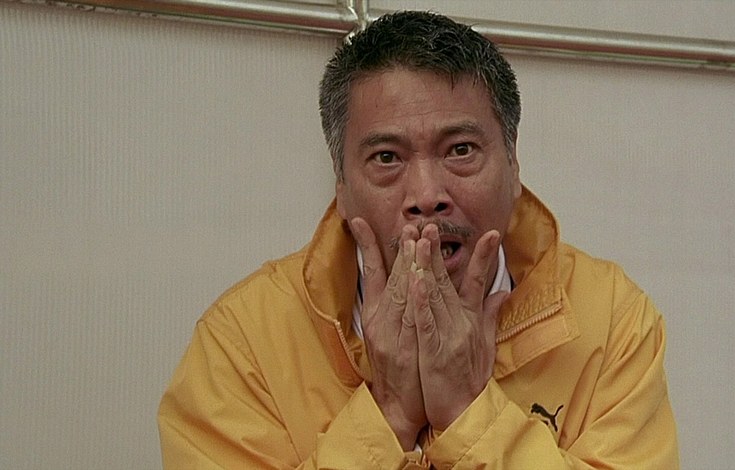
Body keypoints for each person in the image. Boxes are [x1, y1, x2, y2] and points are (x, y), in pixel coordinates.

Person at [158, 10, 679, 469]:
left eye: (460, 150)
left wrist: (470, 414)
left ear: (513, 163)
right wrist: (388, 416)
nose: (427, 196)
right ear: (341, 187)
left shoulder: (611, 318)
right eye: (387, 158)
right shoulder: (242, 342)